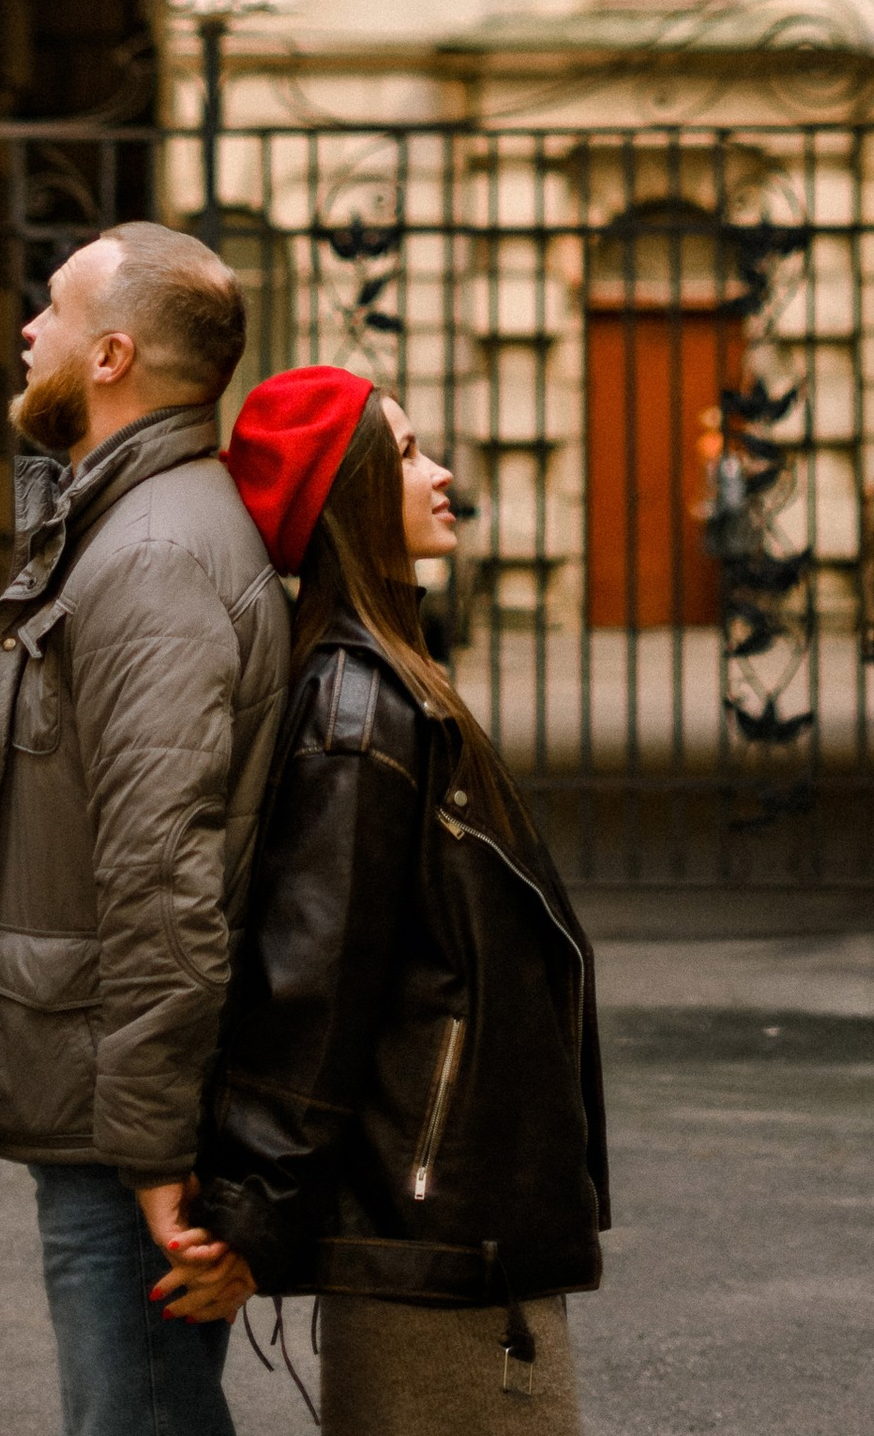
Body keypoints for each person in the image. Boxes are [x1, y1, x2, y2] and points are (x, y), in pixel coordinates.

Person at [157, 364, 610, 1431]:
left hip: (461, 1216)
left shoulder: (397, 684)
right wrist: (253, 1222)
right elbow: (311, 979)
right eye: (406, 453)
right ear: (346, 493)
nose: (441, 473)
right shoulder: (359, 711)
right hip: (431, 1231)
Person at [0, 219, 290, 1436]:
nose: (28, 329)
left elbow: (161, 873)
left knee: (136, 1423)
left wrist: (152, 1157)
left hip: (118, 1107)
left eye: (51, 307)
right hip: (105, 1082)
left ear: (109, 357)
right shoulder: (128, 522)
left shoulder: (151, 553)